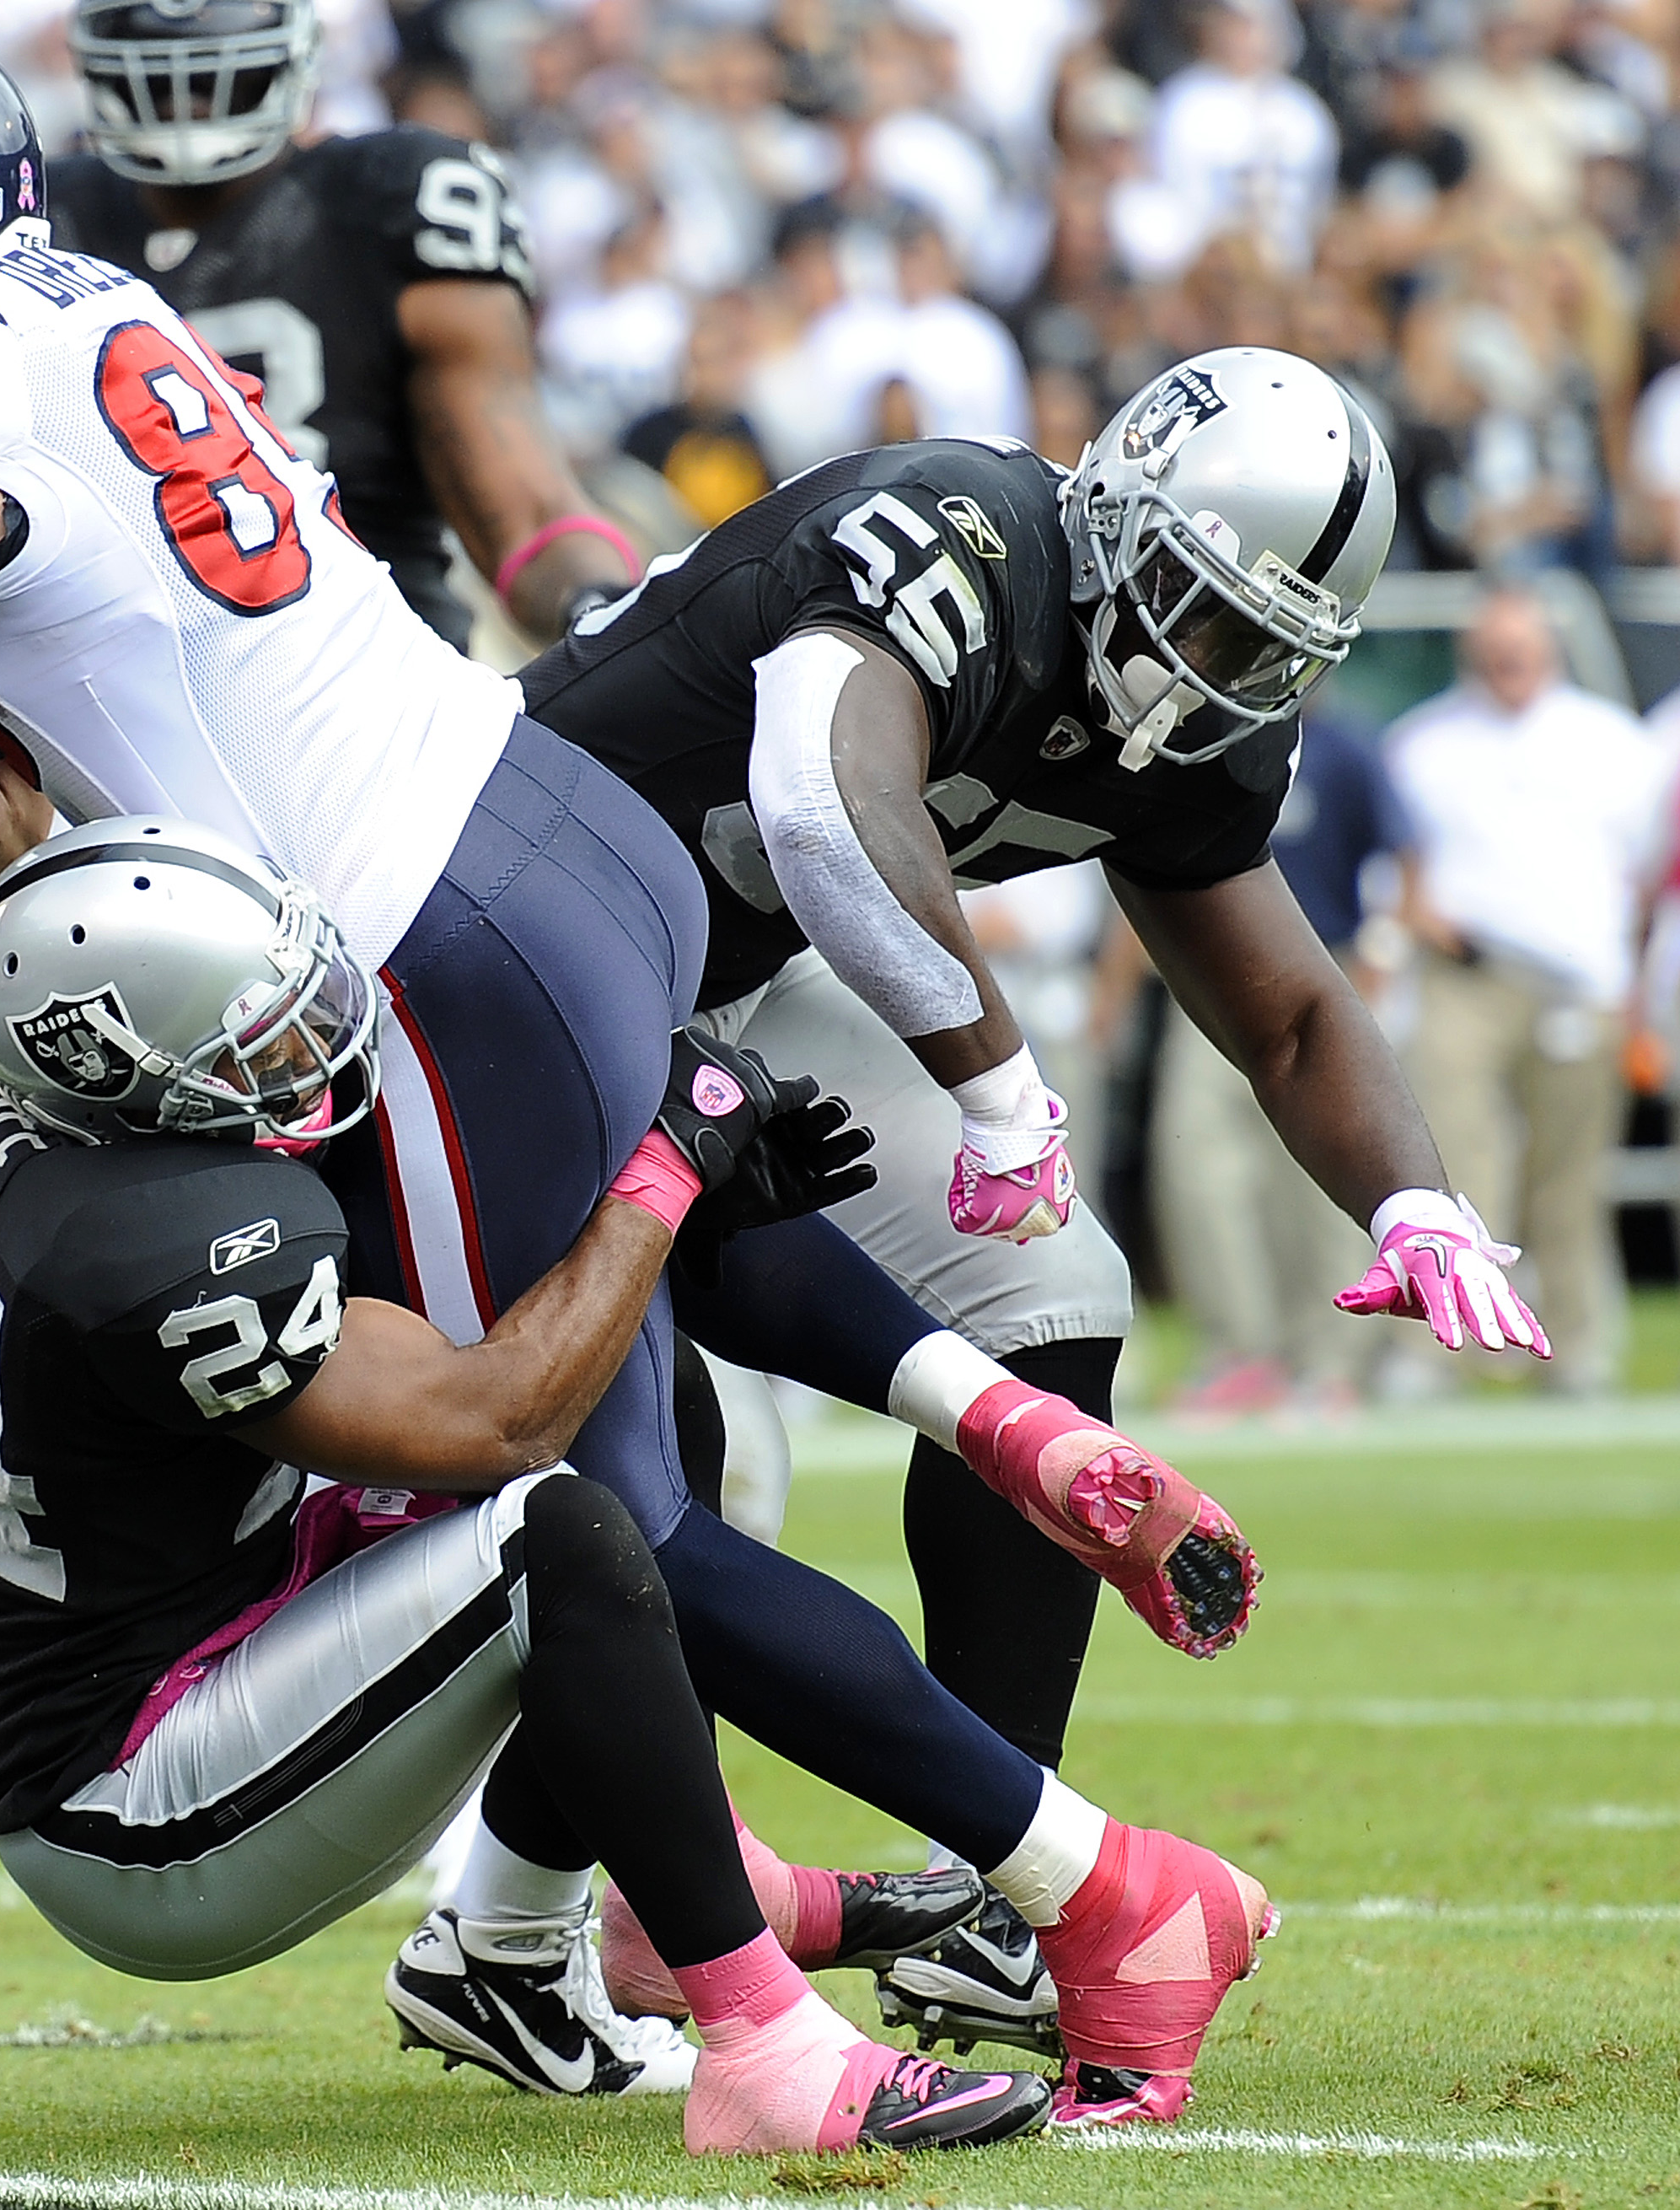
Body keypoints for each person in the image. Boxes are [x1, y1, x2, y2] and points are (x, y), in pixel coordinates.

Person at [0, 22, 1278, 2126]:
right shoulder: (63, 301)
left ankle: (1091, 1888)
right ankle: (555, 1929)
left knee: (578, 1506)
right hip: (539, 826)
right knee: (593, 1465)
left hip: (417, 938)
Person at [0, 820, 1259, 2143]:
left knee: (664, 1417)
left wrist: (682, 1194)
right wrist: (668, 1166)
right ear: (118, 1066)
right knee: (554, 1531)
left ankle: (526, 1946)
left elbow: (499, 1286)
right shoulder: (149, 1238)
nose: (312, 1044)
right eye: (254, 1038)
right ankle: (770, 2047)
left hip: (245, 1603)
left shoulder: (54, 1107)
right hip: (139, 1790)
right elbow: (494, 1418)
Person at [505, 349, 1544, 2044]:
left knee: (1051, 1290)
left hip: (750, 972)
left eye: (1268, 651)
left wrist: (1414, 1200)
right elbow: (824, 804)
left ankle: (987, 1898)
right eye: (1208, 618)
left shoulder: (1194, 719)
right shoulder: (965, 534)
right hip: (545, 939)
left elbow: (1285, 1010)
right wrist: (997, 1082)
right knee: (666, 1477)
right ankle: (511, 1919)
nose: (1221, 677)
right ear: (1123, 513)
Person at [44, 0, 636, 648]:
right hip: (115, 674)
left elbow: (526, 513)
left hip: (373, 668)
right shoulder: (41, 219)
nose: (189, 104)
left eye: (226, 80)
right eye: (158, 84)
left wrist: (601, 615)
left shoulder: (390, 196)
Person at [1385, 589, 1677, 1392]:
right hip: (1466, 974)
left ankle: (1576, 1346)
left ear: (1549, 648)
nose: (1510, 659)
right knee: (1449, 1166)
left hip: (1580, 981)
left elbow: (1648, 878)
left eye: (1523, 643)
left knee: (1570, 1175)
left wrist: (1630, 981)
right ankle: (1438, 1351)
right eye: (1495, 644)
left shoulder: (1614, 745)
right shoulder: (1425, 744)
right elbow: (1398, 870)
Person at [1151, 704, 1412, 1413]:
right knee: (1198, 1165)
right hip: (1207, 974)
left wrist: (1384, 957)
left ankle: (1330, 1359)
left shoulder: (1345, 752)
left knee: (1328, 1171)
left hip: (1324, 970)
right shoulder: (1199, 737)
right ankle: (1238, 1349)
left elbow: (1402, 857)